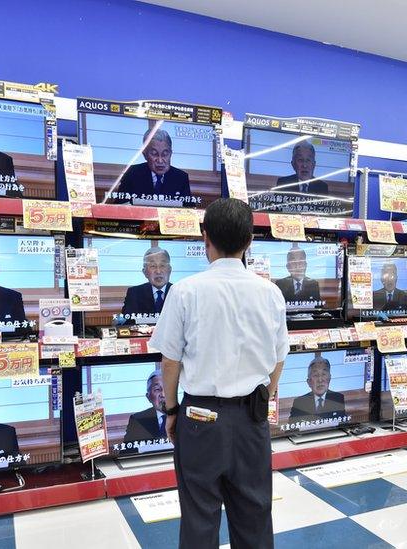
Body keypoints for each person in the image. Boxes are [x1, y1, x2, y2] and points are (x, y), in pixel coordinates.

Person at [150, 198, 288, 549]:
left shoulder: (185, 291)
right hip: (251, 420)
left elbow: (170, 361)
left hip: (199, 417)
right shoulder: (270, 293)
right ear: (249, 241)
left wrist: (170, 410)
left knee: (199, 517)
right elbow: (279, 359)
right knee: (254, 514)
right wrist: (263, 398)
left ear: (205, 237)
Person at [112, 128, 191, 203]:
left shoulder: (181, 178)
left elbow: (190, 210)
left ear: (170, 154)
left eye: (165, 154)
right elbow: (119, 206)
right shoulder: (132, 173)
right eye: (154, 154)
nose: (160, 160)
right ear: (145, 154)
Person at [288, 356, 347, 422]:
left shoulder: (338, 398)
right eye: (315, 375)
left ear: (329, 379)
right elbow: (291, 428)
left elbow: (343, 423)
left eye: (323, 374)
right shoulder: (299, 402)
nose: (320, 380)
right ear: (309, 382)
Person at [121, 247, 173, 316]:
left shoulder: (179, 293)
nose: (158, 271)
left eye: (162, 265)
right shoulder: (134, 293)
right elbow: (128, 322)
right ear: (144, 272)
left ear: (170, 270)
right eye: (153, 266)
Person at [122, 370, 168, 444]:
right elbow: (127, 452)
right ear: (148, 397)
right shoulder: (137, 420)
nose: (163, 394)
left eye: (167, 388)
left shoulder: (184, 416)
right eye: (157, 389)